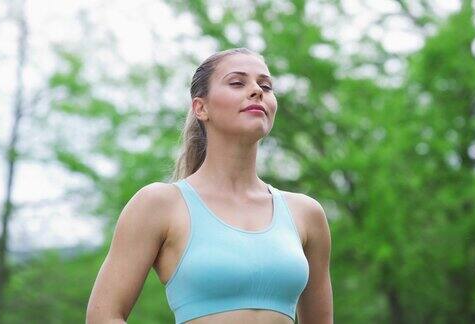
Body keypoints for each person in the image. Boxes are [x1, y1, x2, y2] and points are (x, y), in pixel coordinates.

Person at [86, 47, 333, 324]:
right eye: (237, 82)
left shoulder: (306, 213)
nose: (257, 91)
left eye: (266, 85)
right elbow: (103, 316)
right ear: (201, 108)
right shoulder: (159, 204)